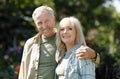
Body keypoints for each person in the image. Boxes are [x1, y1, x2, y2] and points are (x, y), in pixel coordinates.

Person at [18, 6, 99, 79]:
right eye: (39, 23)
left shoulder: (63, 39)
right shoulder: (30, 43)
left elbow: (86, 62)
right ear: (35, 24)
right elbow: (23, 70)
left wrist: (94, 55)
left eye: (47, 21)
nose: (44, 26)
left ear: (53, 20)